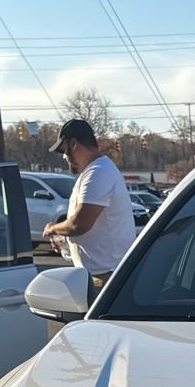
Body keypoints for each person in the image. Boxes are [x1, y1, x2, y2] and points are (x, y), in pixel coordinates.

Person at [44, 119, 137, 293]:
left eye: (64, 150)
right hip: (100, 273)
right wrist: (65, 240)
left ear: (74, 144)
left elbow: (79, 224)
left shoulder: (99, 172)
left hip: (107, 276)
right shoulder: (94, 172)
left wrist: (53, 229)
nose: (64, 156)